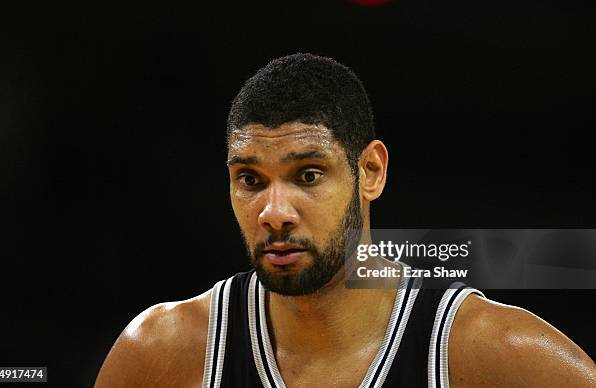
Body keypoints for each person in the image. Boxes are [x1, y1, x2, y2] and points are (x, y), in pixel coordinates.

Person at [95, 53, 595, 387]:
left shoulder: (492, 353)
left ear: (371, 172)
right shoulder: (163, 353)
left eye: (308, 175)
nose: (274, 213)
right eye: (250, 180)